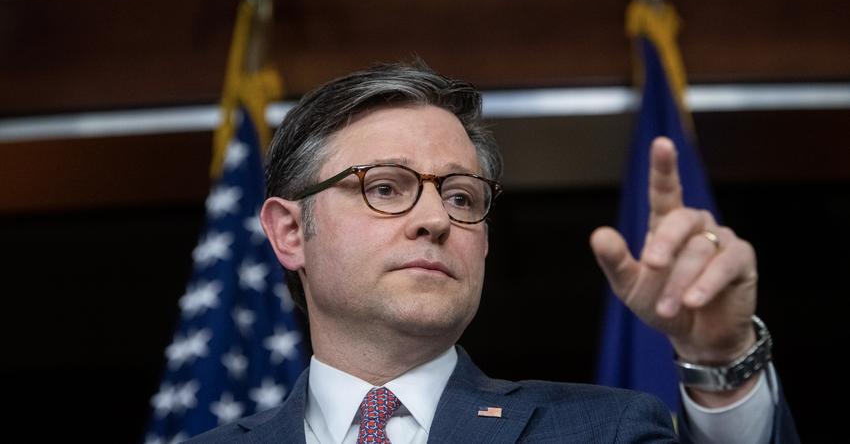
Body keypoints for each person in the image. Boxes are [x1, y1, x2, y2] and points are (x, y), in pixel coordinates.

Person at [188, 62, 798, 443]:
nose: (434, 219)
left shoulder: (603, 432)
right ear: (290, 233)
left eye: (460, 196)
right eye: (384, 187)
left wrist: (722, 363)